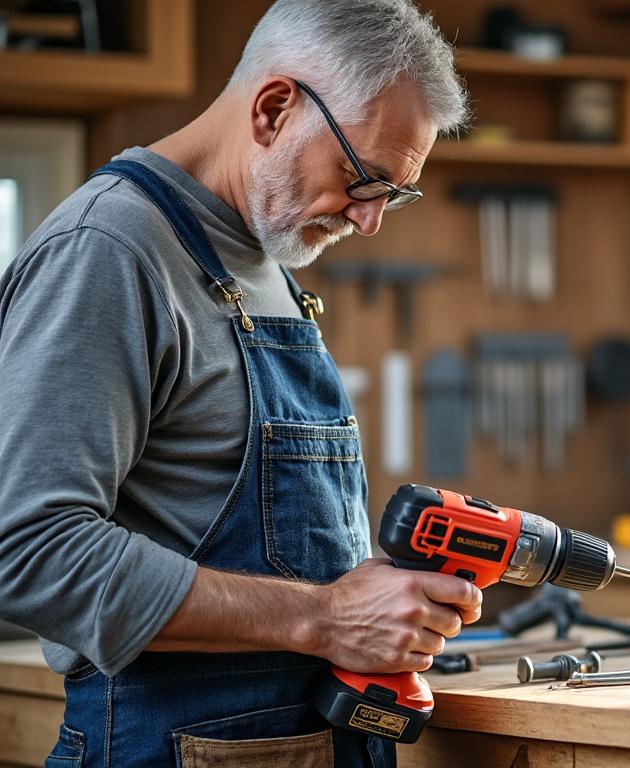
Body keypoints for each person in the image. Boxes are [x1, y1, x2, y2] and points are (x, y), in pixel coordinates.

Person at [0, 2, 480, 765]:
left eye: (393, 193)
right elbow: (28, 549)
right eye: (362, 179)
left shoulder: (263, 257)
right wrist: (322, 617)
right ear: (274, 108)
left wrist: (367, 598)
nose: (369, 221)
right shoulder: (109, 252)